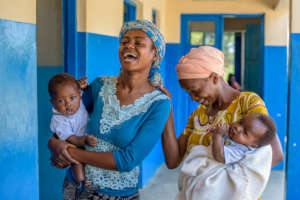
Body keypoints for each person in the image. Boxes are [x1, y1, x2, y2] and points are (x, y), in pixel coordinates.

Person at [48, 20, 171, 200]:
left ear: (154, 54)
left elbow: (128, 160)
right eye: (124, 41)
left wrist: (71, 153)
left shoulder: (159, 104)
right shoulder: (100, 86)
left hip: (117, 196)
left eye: (138, 42)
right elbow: (67, 121)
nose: (129, 45)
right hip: (76, 187)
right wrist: (55, 145)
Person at [160, 46, 284, 199]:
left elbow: (275, 154)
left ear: (214, 77)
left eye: (195, 90)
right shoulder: (198, 115)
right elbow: (173, 161)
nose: (192, 97)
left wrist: (222, 185)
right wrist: (167, 109)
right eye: (188, 93)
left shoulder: (248, 102)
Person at [48, 73, 98, 193]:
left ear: (79, 96)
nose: (68, 104)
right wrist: (84, 140)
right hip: (73, 143)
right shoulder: (58, 119)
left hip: (85, 137)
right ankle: (82, 184)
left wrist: (82, 85)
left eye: (72, 98)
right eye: (60, 100)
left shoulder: (79, 102)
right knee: (77, 160)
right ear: (53, 102)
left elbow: (81, 90)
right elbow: (71, 138)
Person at [210, 113, 276, 164]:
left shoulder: (241, 150)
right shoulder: (236, 139)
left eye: (245, 132)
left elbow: (220, 156)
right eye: (240, 122)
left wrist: (218, 135)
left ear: (253, 145)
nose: (237, 127)